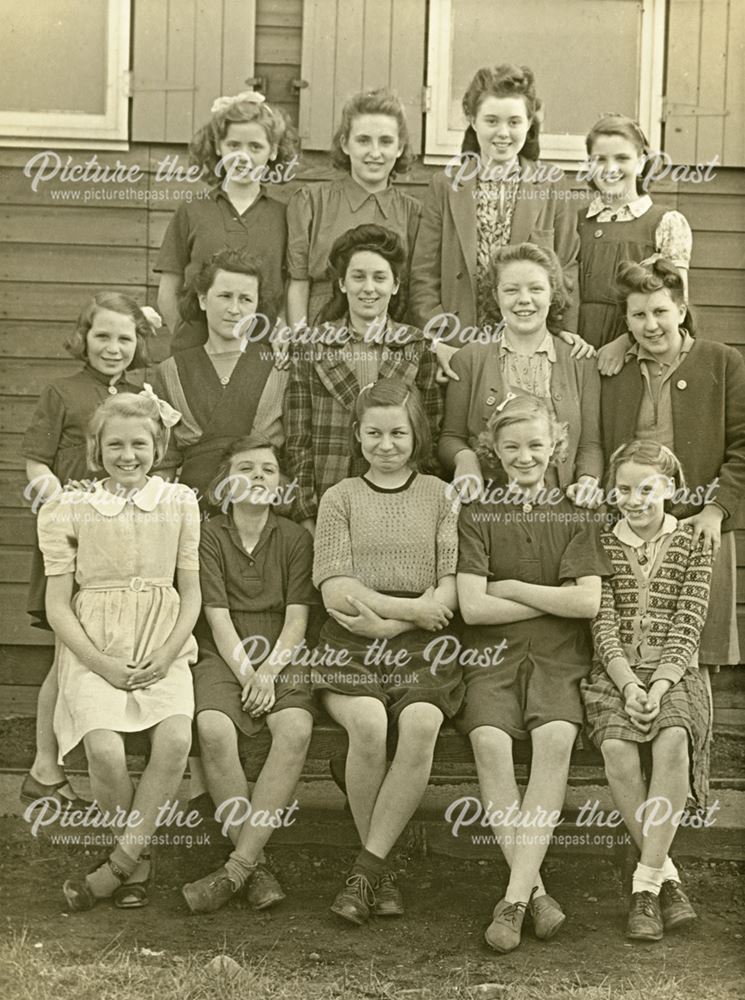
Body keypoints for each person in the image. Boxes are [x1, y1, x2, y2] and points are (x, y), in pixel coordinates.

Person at [455, 394, 611, 952]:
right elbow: (473, 608)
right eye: (512, 446)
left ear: (557, 446)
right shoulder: (477, 515)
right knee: (491, 745)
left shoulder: (576, 515)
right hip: (491, 659)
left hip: (558, 659)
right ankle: (533, 892)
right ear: (493, 450)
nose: (525, 457)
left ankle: (513, 900)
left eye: (537, 446)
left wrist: (513, 589)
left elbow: (587, 603)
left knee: (554, 741)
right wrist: (552, 598)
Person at [37, 393, 200, 910]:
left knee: (175, 739)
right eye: (115, 445)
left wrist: (169, 651)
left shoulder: (179, 502)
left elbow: (192, 591)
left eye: (139, 444)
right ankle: (136, 861)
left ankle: (119, 866)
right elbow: (58, 605)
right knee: (104, 749)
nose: (127, 455)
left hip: (162, 640)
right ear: (96, 449)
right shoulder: (69, 507)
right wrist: (100, 662)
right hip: (94, 647)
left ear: (158, 446)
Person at [312, 379, 463, 925]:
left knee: (420, 724)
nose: (386, 444)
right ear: (357, 435)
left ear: (416, 433)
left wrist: (404, 624)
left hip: (424, 641)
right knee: (370, 724)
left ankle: (369, 873)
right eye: (373, 433)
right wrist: (401, 613)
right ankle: (382, 870)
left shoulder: (442, 495)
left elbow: (447, 589)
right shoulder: (341, 497)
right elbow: (334, 589)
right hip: (352, 640)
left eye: (397, 432)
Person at [21, 292, 157, 812]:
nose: (113, 347)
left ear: (138, 344)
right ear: (83, 338)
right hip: (75, 540)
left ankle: (92, 760)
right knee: (68, 653)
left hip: (125, 542)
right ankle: (44, 766)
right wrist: (64, 506)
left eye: (125, 338)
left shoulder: (145, 393)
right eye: (102, 335)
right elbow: (37, 464)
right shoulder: (62, 392)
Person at [181, 436, 319, 914]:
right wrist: (247, 675)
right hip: (226, 652)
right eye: (246, 468)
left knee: (296, 727)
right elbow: (217, 618)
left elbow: (298, 619)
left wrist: (269, 672)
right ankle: (253, 866)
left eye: (268, 469)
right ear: (225, 484)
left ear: (281, 485)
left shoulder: (296, 538)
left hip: (281, 650)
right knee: (213, 728)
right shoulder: (210, 536)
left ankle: (235, 868)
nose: (259, 476)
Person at [582, 440, 713, 941]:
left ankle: (642, 886)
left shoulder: (690, 543)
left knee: (672, 737)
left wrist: (657, 685)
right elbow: (604, 622)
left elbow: (689, 620)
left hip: (674, 672)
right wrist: (628, 683)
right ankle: (667, 876)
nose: (634, 500)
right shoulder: (603, 541)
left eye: (646, 489)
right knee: (617, 746)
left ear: (670, 488)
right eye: (623, 489)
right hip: (614, 674)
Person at [601, 257, 744, 676]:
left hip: (699, 525)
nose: (651, 325)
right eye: (638, 315)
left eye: (661, 311)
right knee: (634, 646)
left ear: (682, 310)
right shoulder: (614, 367)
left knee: (694, 652)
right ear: (625, 320)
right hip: (632, 528)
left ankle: (694, 739)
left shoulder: (721, 361)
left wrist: (716, 511)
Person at [409, 64, 584, 379]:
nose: (503, 133)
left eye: (514, 122)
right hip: (458, 346)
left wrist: (561, 336)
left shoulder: (551, 184)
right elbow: (424, 274)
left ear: (529, 124)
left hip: (531, 342)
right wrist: (440, 342)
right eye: (491, 121)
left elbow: (567, 266)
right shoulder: (446, 185)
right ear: (472, 120)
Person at [284, 224, 441, 532]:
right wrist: (305, 513)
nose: (369, 288)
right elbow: (297, 439)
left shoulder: (416, 346)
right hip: (330, 497)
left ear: (395, 285)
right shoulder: (311, 345)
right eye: (358, 277)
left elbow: (429, 436)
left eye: (380, 277)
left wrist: (419, 502)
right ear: (342, 283)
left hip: (399, 499)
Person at [439, 243, 603, 504]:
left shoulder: (580, 360)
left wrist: (587, 480)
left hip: (561, 509)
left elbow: (589, 445)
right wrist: (465, 459)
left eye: (536, 289)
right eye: (511, 290)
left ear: (552, 294)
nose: (524, 299)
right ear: (496, 295)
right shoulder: (469, 358)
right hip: (489, 510)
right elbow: (451, 437)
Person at [155, 90, 295, 351]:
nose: (243, 156)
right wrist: (190, 343)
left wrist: (282, 328)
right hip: (198, 348)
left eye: (255, 147)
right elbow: (167, 293)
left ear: (273, 151)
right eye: (234, 146)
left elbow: (289, 287)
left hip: (261, 350)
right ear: (219, 147)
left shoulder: (285, 216)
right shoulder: (192, 212)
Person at [149, 248, 287, 508]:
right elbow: (163, 464)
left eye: (246, 299)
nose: (234, 309)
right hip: (193, 510)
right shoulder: (171, 371)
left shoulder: (280, 366)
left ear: (258, 305)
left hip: (264, 510)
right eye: (224, 296)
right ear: (202, 299)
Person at [285, 88, 421, 330]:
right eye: (363, 140)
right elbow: (298, 281)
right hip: (321, 325)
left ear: (400, 148)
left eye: (386, 141)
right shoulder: (312, 202)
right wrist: (301, 340)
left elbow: (414, 289)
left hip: (388, 330)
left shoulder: (413, 213)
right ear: (345, 144)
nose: (375, 153)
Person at [577, 114, 692, 361]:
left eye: (622, 158)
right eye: (600, 160)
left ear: (640, 163)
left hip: (637, 348)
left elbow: (674, 303)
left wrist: (625, 344)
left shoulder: (665, 222)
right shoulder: (576, 222)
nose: (610, 169)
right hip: (580, 346)